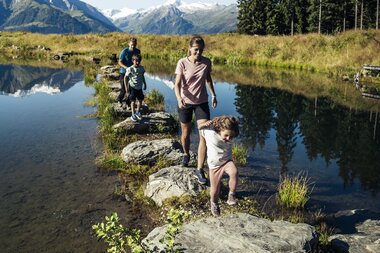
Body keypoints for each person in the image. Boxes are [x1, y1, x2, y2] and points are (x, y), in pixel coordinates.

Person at [174, 35, 217, 185]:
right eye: (195, 50)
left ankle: (199, 169)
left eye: (201, 50)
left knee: (204, 135)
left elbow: (208, 79)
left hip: (202, 102)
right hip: (185, 102)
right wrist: (179, 99)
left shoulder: (206, 62)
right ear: (190, 49)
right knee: (185, 135)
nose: (198, 53)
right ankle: (186, 154)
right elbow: (177, 84)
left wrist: (213, 94)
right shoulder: (182, 63)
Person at [198, 116, 239, 216]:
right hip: (214, 166)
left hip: (226, 161)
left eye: (231, 137)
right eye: (226, 136)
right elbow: (199, 127)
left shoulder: (232, 133)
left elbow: (232, 130)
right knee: (215, 190)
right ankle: (214, 203)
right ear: (220, 130)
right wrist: (204, 124)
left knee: (234, 172)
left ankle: (231, 195)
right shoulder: (210, 133)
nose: (228, 138)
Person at [118, 37, 140, 108]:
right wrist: (126, 68)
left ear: (136, 44)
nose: (133, 46)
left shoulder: (137, 51)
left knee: (131, 89)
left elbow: (138, 61)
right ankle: (119, 100)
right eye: (132, 44)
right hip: (123, 72)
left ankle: (128, 103)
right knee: (124, 89)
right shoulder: (124, 51)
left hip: (132, 73)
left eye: (134, 44)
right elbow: (119, 62)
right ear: (129, 44)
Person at [124, 53, 147, 122]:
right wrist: (126, 88)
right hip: (132, 87)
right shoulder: (130, 69)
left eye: (138, 61)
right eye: (135, 61)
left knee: (140, 100)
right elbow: (125, 78)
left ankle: (137, 112)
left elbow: (142, 76)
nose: (137, 62)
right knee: (133, 101)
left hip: (139, 87)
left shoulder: (141, 68)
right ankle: (133, 114)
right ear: (132, 60)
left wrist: (145, 84)